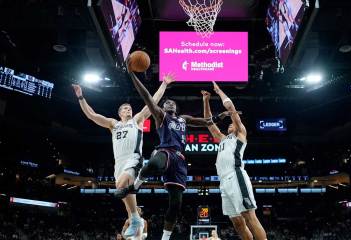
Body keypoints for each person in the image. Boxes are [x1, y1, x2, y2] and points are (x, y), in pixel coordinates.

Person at [114, 72, 221, 240]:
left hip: (180, 161)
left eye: (172, 102)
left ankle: (165, 238)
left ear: (176, 108)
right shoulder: (161, 116)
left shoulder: (183, 119)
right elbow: (147, 97)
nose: (169, 103)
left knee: (176, 204)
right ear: (163, 108)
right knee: (154, 164)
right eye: (166, 102)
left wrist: (220, 116)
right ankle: (134, 187)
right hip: (165, 151)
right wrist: (133, 76)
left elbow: (205, 121)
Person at [72, 74, 174, 238]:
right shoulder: (113, 124)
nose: (129, 109)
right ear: (119, 112)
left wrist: (164, 84)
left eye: (130, 108)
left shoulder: (138, 120)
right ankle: (134, 218)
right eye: (125, 108)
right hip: (118, 162)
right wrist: (81, 96)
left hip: (134, 158)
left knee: (121, 184)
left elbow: (152, 101)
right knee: (124, 191)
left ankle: (135, 219)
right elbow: (91, 114)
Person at [201, 82, 268, 240]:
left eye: (233, 123)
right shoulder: (223, 138)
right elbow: (209, 123)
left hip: (236, 175)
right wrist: (206, 101)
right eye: (229, 123)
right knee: (237, 222)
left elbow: (231, 109)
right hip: (224, 182)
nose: (231, 124)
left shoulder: (240, 135)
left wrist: (219, 91)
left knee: (249, 216)